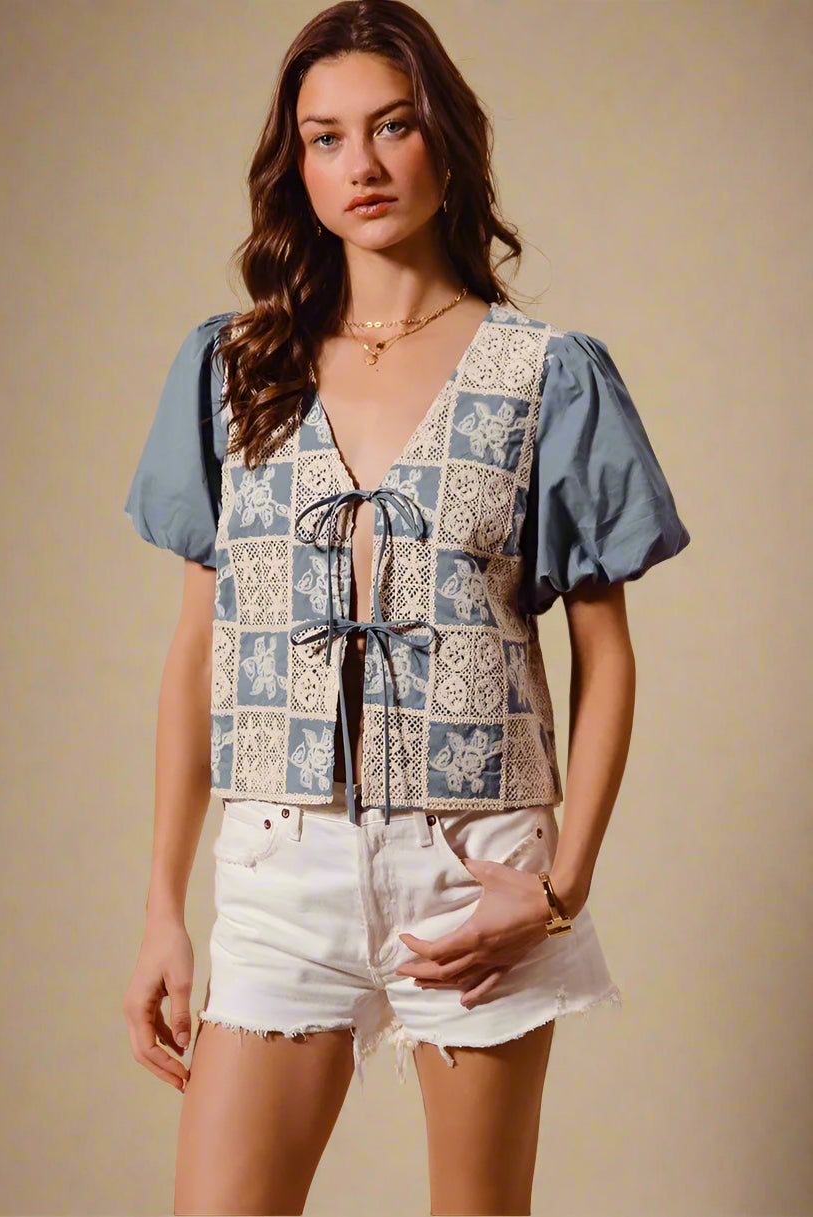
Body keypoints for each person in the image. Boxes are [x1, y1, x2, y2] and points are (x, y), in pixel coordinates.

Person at [121, 2, 691, 1213]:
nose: (362, 164)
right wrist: (165, 909)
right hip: (283, 863)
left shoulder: (546, 373)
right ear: (297, 165)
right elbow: (195, 651)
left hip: (471, 861)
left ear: (445, 140)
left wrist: (557, 886)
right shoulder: (234, 368)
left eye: (391, 126)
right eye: (325, 138)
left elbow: (607, 656)